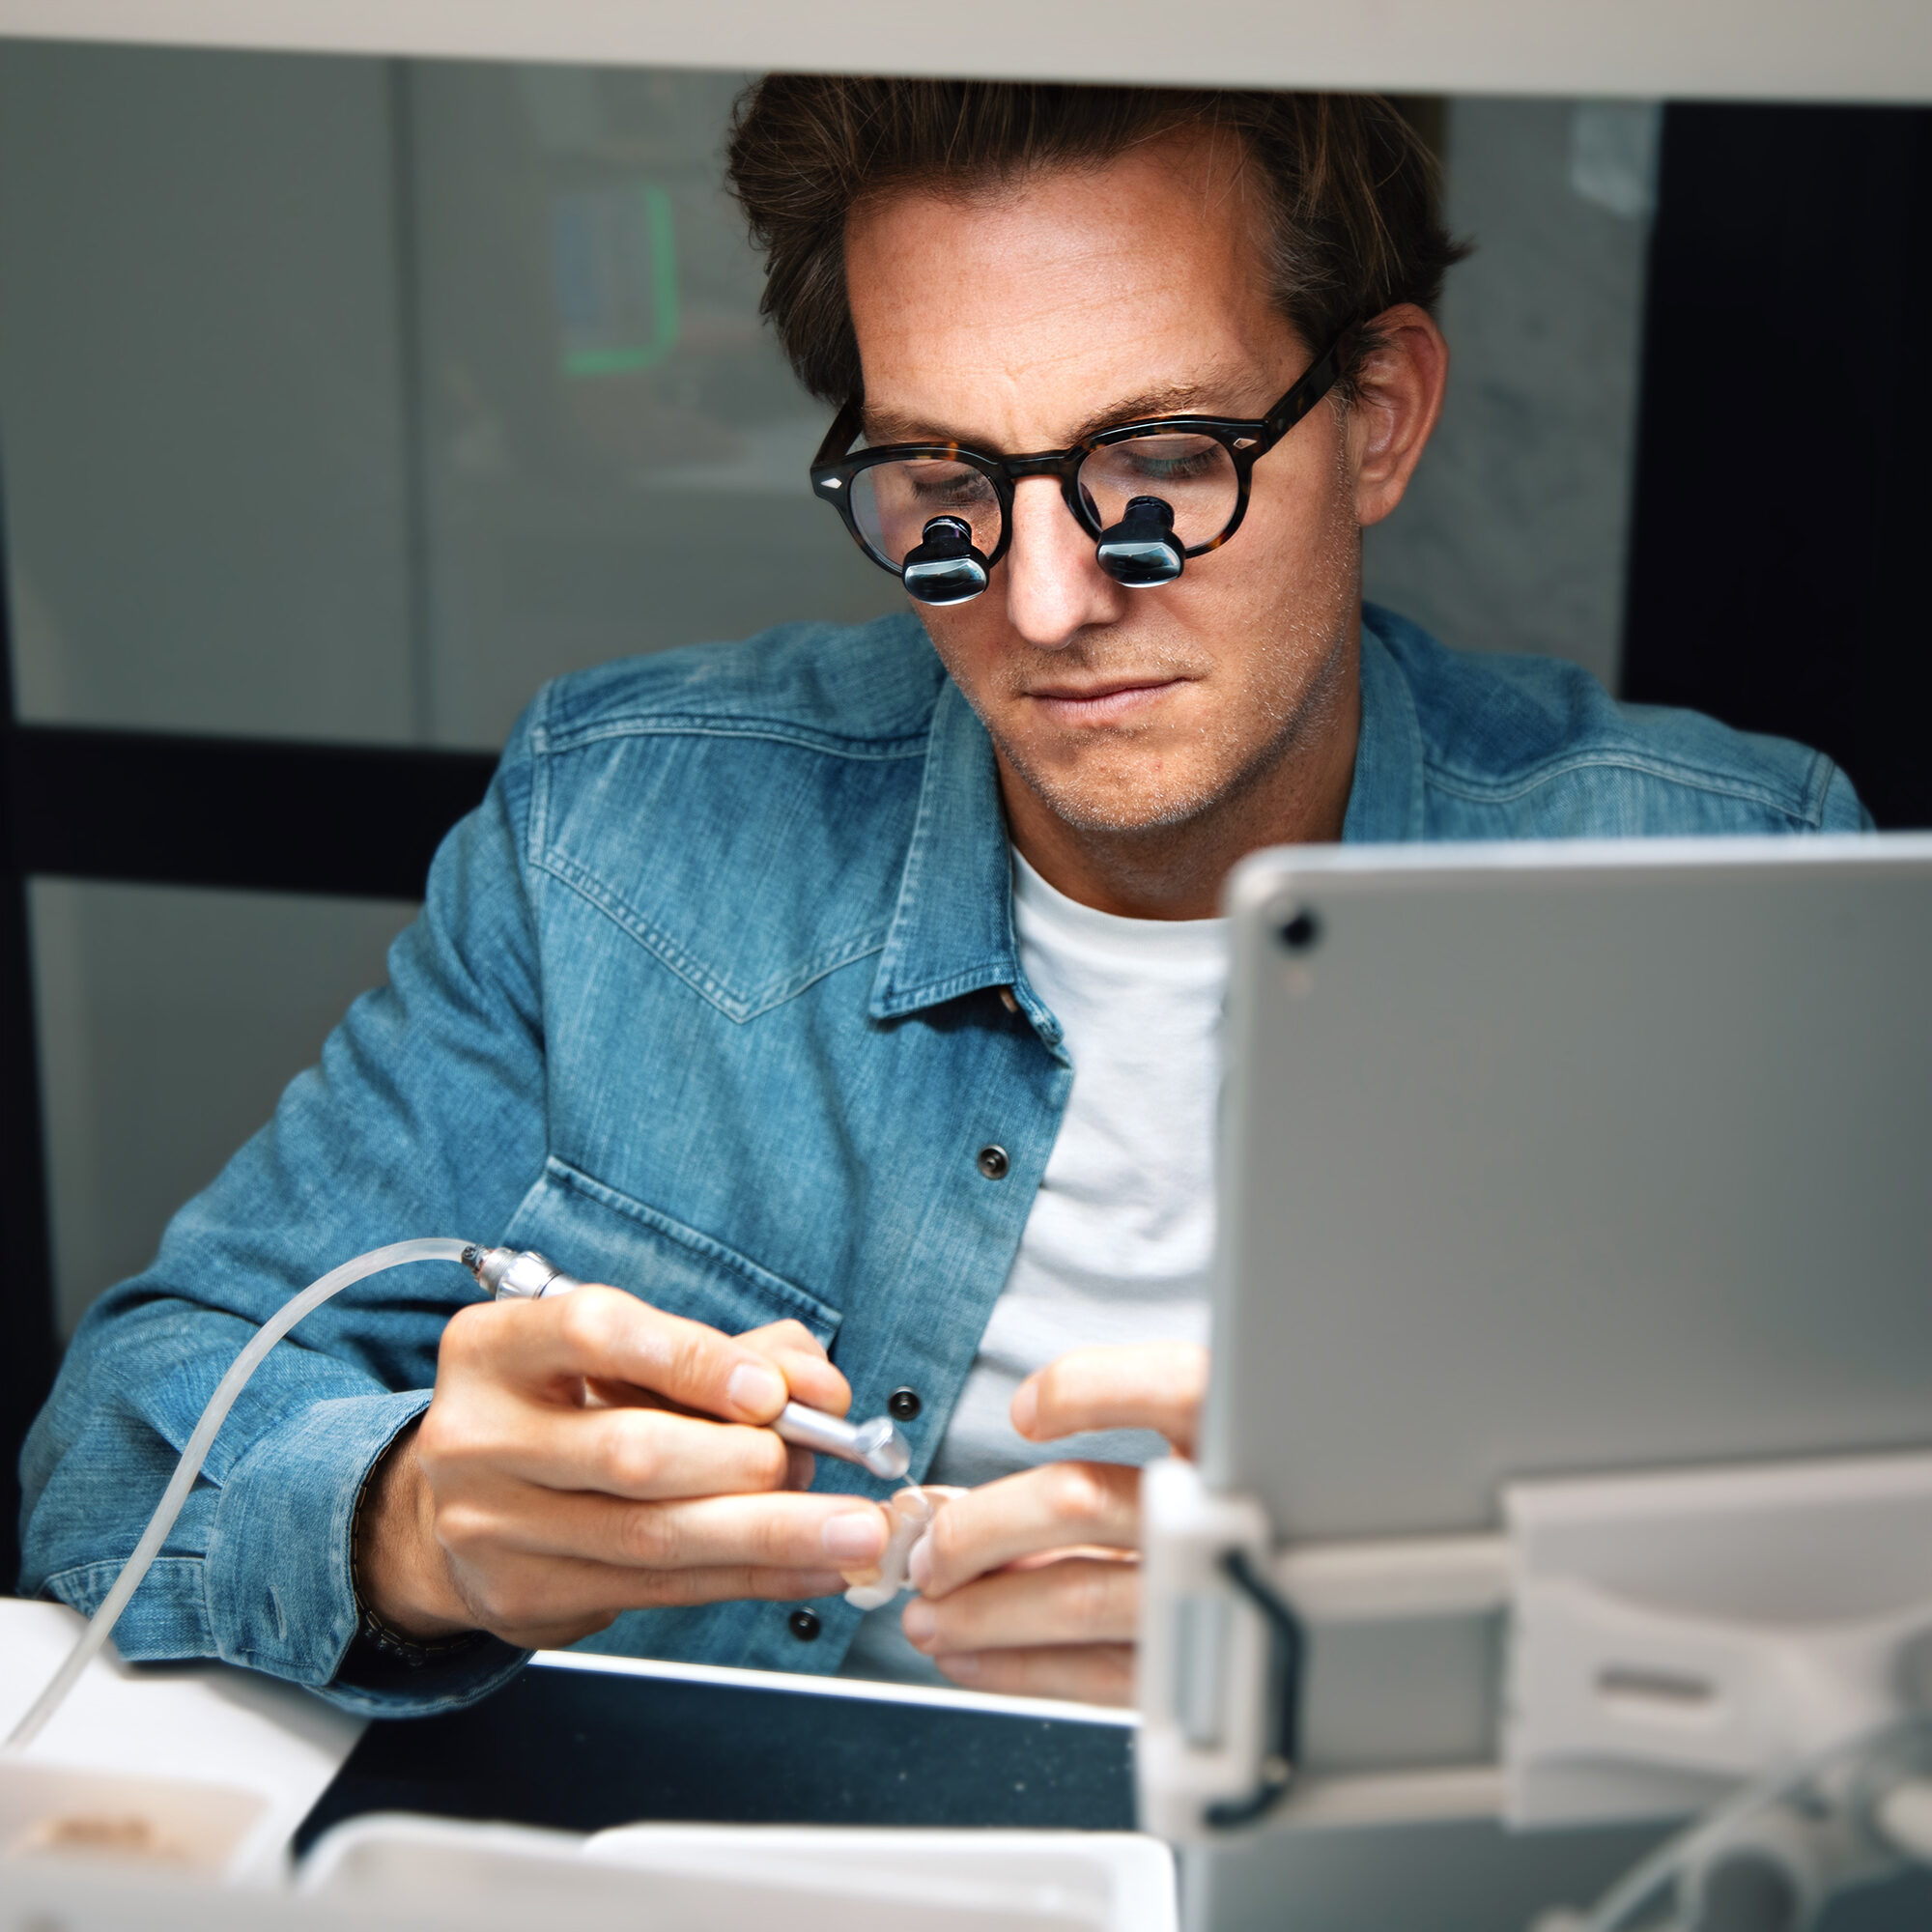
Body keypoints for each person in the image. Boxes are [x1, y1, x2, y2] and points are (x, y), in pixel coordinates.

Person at [19, 78, 1869, 1715]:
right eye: (941, 484)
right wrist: (409, 1525)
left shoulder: (1730, 885)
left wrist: (1443, 1659)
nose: (1046, 600)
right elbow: (110, 1462)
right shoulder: (624, 828)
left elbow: (1873, 1617)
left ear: (1377, 416)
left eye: (1161, 465)